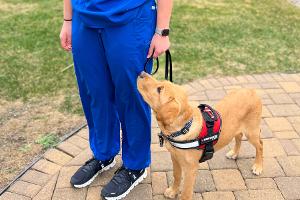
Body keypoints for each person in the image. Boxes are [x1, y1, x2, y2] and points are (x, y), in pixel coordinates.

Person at [60, 0, 172, 199]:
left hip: (131, 18)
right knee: (95, 93)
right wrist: (68, 20)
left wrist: (162, 31)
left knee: (132, 95)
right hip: (84, 19)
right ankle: (104, 153)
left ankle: (135, 166)